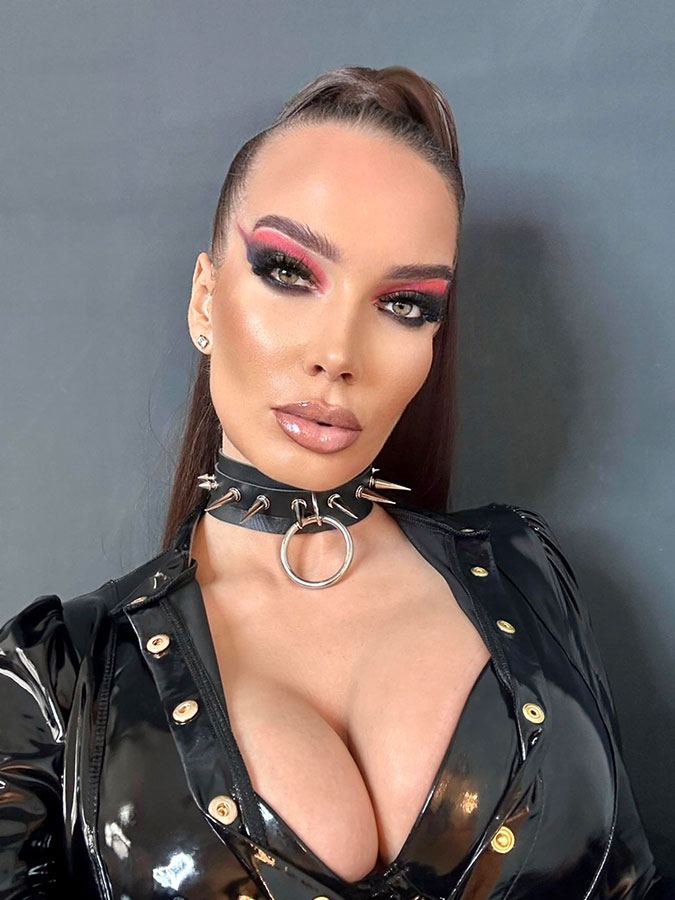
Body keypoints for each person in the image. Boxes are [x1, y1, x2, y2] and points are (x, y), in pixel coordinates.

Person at [0, 65, 670, 900]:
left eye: (405, 304)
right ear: (205, 299)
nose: (337, 353)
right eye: (288, 272)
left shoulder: (524, 572)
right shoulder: (57, 677)